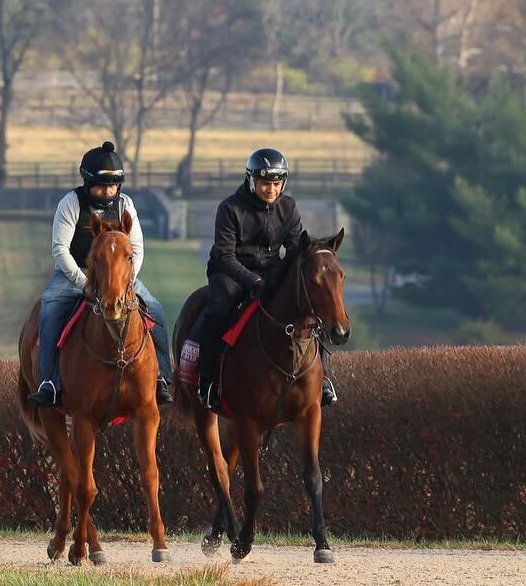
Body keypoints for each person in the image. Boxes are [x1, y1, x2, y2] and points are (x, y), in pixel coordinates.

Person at [27, 141, 173, 408]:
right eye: (101, 186)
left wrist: (125, 281)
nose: (107, 192)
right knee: (49, 309)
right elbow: (59, 250)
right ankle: (49, 381)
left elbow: (137, 249)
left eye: (113, 186)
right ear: (87, 183)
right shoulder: (70, 204)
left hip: (118, 276)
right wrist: (86, 284)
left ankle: (162, 377)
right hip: (76, 274)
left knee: (155, 308)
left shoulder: (126, 204)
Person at [194, 147, 338, 412]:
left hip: (271, 272)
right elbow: (225, 256)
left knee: (308, 308)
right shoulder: (229, 208)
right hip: (230, 273)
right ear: (251, 181)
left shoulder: (288, 207)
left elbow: (295, 249)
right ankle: (208, 380)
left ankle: (324, 379)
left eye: (275, 184)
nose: (270, 190)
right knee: (219, 310)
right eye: (264, 183)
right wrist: (254, 282)